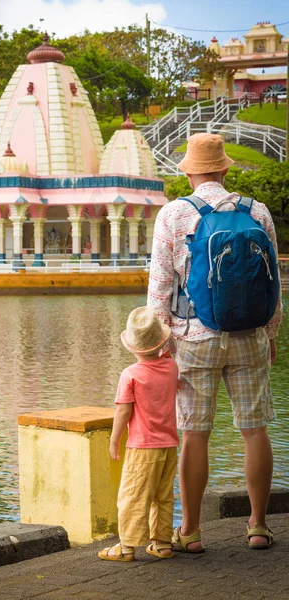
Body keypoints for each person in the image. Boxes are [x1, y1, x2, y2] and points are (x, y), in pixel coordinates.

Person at [148, 133, 282, 552]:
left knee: (195, 434)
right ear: (225, 169)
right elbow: (274, 282)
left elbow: (161, 285)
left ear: (188, 173)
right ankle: (258, 526)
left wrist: (159, 341)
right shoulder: (256, 210)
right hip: (249, 335)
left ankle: (190, 531)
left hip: (193, 337)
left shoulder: (173, 214)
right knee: (254, 430)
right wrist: (271, 334)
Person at [98, 306, 179, 562]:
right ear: (161, 342)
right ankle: (162, 543)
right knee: (163, 495)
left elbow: (123, 412)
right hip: (169, 445)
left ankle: (126, 547)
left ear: (132, 347)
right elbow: (170, 353)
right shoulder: (171, 368)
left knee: (132, 496)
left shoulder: (130, 374)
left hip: (142, 446)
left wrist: (114, 441)